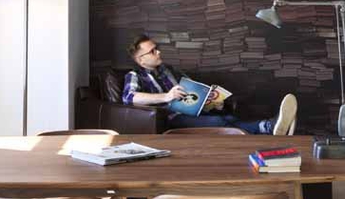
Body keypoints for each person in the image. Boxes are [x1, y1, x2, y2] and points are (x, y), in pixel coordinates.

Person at [122, 35, 297, 135]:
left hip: (190, 110)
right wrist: (167, 96)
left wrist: (211, 101)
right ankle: (268, 127)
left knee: (227, 117)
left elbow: (193, 90)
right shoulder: (135, 75)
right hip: (171, 118)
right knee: (218, 121)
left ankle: (268, 127)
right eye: (152, 51)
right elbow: (129, 97)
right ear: (141, 59)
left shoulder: (169, 70)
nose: (158, 52)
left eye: (156, 48)